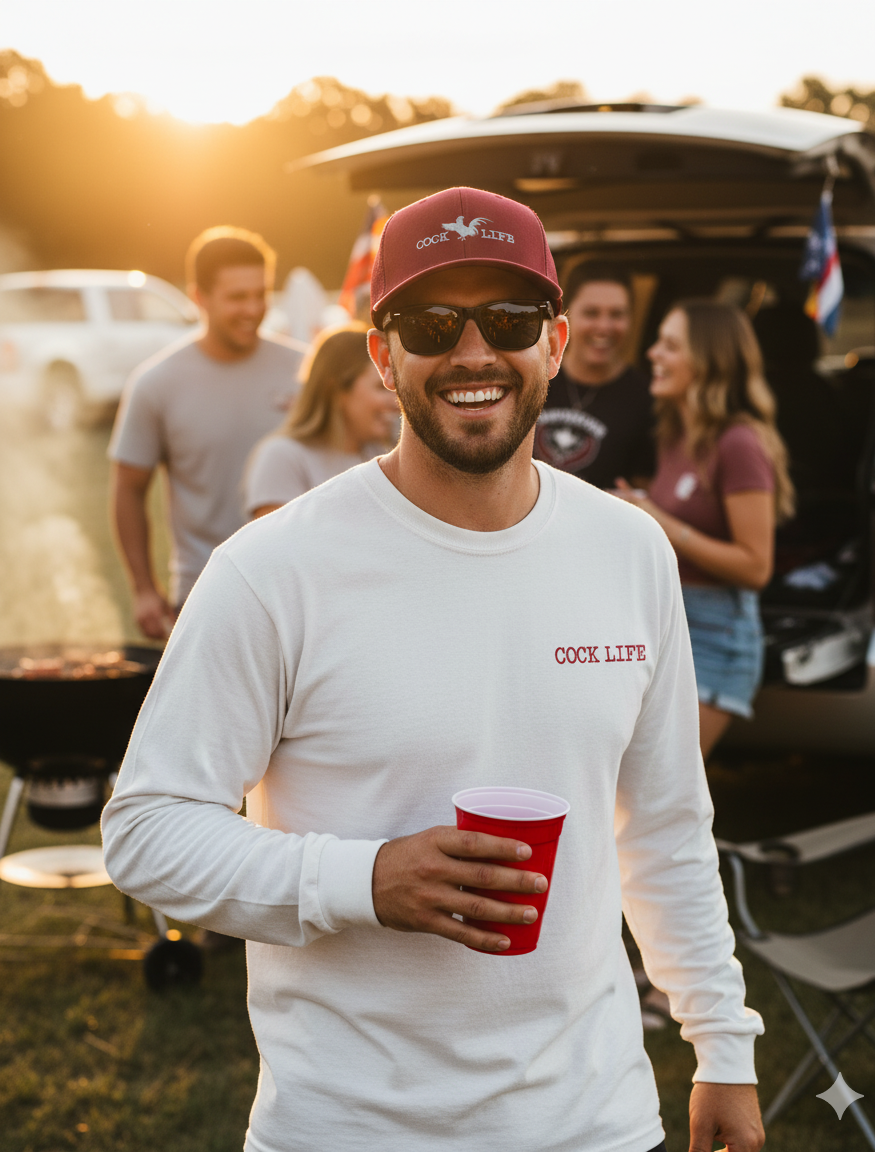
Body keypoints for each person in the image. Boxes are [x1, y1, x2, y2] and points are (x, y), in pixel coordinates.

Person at [103, 188, 764, 1152]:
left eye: (508, 320)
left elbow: (663, 826)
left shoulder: (629, 550)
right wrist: (363, 879)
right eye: (429, 322)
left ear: (556, 343)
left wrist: (722, 1043)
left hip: (597, 1120)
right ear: (381, 354)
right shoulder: (274, 569)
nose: (472, 353)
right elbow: (148, 832)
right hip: (349, 1128)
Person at [615, 300, 794, 757]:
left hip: (717, 639)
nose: (652, 353)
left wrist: (656, 518)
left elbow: (756, 567)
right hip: (667, 627)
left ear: (709, 361)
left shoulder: (740, 443)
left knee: (662, 801)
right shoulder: (675, 435)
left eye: (670, 345)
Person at [109, 226, 305, 638]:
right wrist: (144, 589)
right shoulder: (156, 384)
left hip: (301, 591)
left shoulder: (305, 371)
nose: (253, 308)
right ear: (200, 297)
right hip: (203, 596)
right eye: (238, 297)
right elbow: (128, 488)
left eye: (261, 294)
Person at [243, 322, 397, 519]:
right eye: (380, 387)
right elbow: (275, 547)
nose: (395, 400)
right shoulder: (282, 457)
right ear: (337, 390)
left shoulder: (378, 453)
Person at [534, 261, 654, 487]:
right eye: (591, 313)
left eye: (617, 314)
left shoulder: (646, 399)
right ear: (565, 314)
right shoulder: (533, 377)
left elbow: (643, 493)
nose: (604, 326)